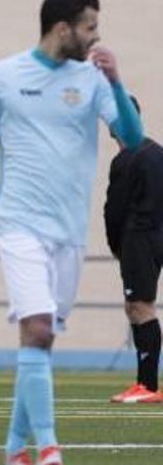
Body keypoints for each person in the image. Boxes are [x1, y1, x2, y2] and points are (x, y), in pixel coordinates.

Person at [0, 0, 144, 465]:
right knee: (37, 327)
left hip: (69, 232)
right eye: (90, 26)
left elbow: (132, 139)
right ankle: (49, 448)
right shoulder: (0, 78)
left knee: (40, 341)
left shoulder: (92, 80)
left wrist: (115, 81)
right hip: (18, 223)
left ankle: (14, 451)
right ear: (63, 28)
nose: (97, 35)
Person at [104, 97, 163, 404]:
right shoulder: (156, 152)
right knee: (137, 306)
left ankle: (148, 385)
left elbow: (114, 210)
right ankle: (144, 383)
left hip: (137, 239)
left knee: (141, 306)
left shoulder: (127, 159)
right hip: (154, 239)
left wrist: (116, 244)